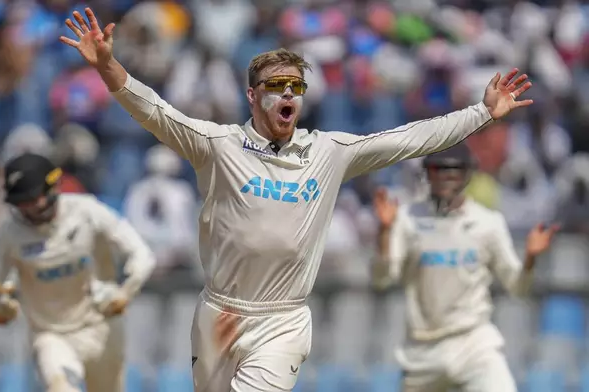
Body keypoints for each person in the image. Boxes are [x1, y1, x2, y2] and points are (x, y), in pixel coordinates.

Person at [60, 8, 534, 392]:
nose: (289, 95)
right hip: (219, 312)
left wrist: (481, 113)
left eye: (297, 87)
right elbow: (156, 112)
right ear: (251, 95)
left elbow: (409, 139)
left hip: (284, 318)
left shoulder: (328, 153)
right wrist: (106, 65)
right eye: (277, 87)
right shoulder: (218, 145)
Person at [371, 143, 558, 392]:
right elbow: (382, 279)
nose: (447, 178)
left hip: (473, 343)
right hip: (423, 350)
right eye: (439, 169)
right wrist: (384, 231)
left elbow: (518, 287)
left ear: (467, 174)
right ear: (428, 174)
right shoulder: (407, 218)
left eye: (455, 170)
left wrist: (531, 259)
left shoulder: (488, 223)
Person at [0, 153, 156, 392]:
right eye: (21, 202)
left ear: (53, 187)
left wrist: (125, 292)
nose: (29, 207)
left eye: (33, 198)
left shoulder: (87, 212)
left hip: (102, 328)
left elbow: (142, 255)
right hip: (51, 335)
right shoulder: (9, 235)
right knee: (61, 388)